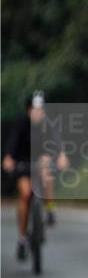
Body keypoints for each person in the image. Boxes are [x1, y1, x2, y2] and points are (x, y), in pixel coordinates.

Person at [2, 92, 68, 259]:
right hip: (23, 164)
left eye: (41, 110)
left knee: (47, 170)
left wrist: (61, 156)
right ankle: (23, 239)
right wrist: (9, 158)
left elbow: (57, 142)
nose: (39, 113)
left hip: (41, 161)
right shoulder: (20, 123)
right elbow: (11, 144)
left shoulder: (48, 124)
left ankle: (50, 209)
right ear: (28, 110)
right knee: (25, 194)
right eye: (35, 109)